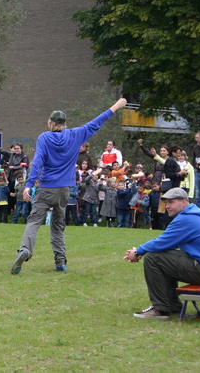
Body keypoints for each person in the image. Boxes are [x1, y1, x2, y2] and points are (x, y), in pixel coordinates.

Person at [10, 98, 127, 274]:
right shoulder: (75, 134)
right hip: (65, 189)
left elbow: (38, 162)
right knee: (58, 226)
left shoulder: (44, 137)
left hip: (46, 187)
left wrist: (29, 184)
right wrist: (116, 106)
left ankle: (25, 249)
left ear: (50, 123)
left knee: (34, 221)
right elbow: (97, 122)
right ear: (65, 124)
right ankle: (60, 262)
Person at [123, 187, 200, 319]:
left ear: (183, 202)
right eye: (166, 203)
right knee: (164, 256)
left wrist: (138, 251)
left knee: (153, 258)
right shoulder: (196, 214)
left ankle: (161, 309)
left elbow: (160, 242)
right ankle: (173, 305)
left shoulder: (185, 219)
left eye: (171, 202)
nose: (167, 206)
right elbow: (165, 244)